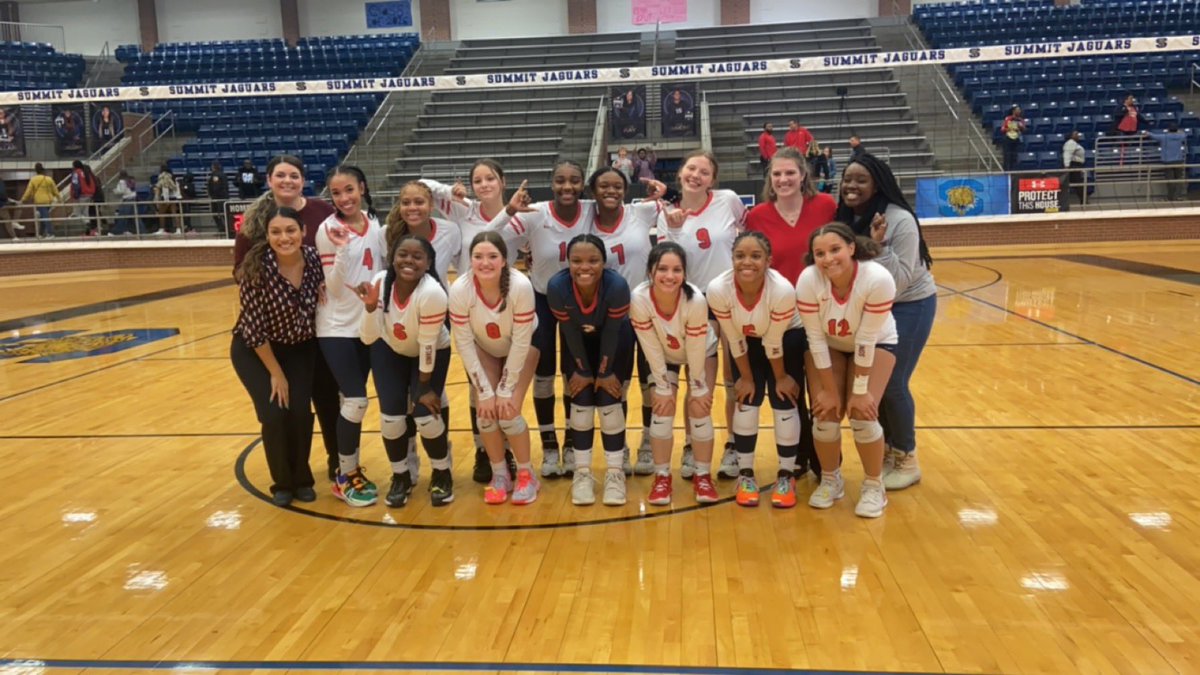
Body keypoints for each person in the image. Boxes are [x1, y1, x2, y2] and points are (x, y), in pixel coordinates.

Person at [233, 155, 340, 481]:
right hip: (268, 335)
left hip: (313, 331)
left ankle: (337, 461)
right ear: (269, 180)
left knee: (323, 399)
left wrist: (328, 284)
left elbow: (337, 258)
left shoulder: (322, 213)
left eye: (294, 175)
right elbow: (243, 278)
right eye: (280, 175)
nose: (287, 181)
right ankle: (287, 477)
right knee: (280, 412)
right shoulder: (253, 225)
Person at [835, 153, 935, 491]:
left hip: (909, 305)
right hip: (870, 309)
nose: (852, 185)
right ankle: (890, 451)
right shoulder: (847, 217)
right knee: (872, 388)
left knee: (892, 384)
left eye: (861, 180)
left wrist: (875, 247)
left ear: (878, 183)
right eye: (848, 179)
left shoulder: (899, 219)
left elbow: (901, 280)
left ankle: (907, 457)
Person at [421, 159, 525, 483]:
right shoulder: (461, 211)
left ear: (502, 181)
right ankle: (485, 450)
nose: (483, 184)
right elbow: (421, 187)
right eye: (477, 180)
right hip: (469, 307)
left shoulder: (520, 219)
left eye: (490, 178)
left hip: (508, 307)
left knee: (507, 384)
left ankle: (507, 449)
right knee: (476, 386)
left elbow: (522, 246)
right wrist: (448, 190)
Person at [498, 160, 596, 479]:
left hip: (579, 302)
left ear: (583, 184)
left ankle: (569, 443)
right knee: (542, 376)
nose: (567, 186)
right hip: (540, 298)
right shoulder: (536, 212)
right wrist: (510, 211)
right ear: (551, 184)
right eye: (560, 181)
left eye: (574, 181)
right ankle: (549, 445)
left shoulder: (592, 210)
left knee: (573, 374)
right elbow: (493, 237)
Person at [796, 222, 898, 518]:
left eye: (835, 249)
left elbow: (866, 339)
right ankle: (831, 479)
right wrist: (828, 391)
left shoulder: (877, 278)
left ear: (852, 248)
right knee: (825, 413)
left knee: (862, 414)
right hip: (829, 344)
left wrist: (861, 390)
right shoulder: (808, 280)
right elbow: (814, 338)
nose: (828, 259)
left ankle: (873, 485)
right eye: (820, 253)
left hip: (876, 343)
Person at [658, 150, 746, 480]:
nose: (697, 175)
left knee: (735, 381)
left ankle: (735, 446)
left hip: (731, 298)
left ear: (713, 179)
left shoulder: (729, 200)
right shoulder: (666, 214)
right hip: (692, 303)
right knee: (699, 383)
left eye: (704, 171)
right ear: (681, 173)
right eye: (691, 168)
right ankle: (692, 445)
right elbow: (669, 262)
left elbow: (749, 236)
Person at [706, 231, 808, 508]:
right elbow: (733, 337)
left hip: (787, 336)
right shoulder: (718, 289)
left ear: (768, 261)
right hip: (746, 339)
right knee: (746, 399)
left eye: (755, 256)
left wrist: (782, 378)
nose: (746, 262)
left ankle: (787, 475)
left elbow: (774, 342)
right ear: (732, 259)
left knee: (783, 399)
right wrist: (746, 378)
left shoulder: (783, 290)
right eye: (740, 256)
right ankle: (745, 474)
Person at [230, 206, 323, 506]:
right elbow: (253, 329)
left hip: (299, 348)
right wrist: (276, 373)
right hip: (256, 351)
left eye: (291, 230)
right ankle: (282, 483)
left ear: (303, 233)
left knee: (299, 413)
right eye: (276, 232)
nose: (284, 238)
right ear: (267, 236)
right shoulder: (255, 268)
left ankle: (302, 478)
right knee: (274, 413)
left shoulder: (315, 260)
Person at [358, 235, 455, 507]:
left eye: (417, 256)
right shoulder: (379, 282)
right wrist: (368, 307)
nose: (409, 261)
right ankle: (401, 476)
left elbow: (427, 346)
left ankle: (441, 472)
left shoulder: (433, 293)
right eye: (403, 254)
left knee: (425, 415)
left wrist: (422, 388)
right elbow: (367, 338)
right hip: (389, 348)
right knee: (391, 418)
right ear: (392, 257)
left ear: (428, 263)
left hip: (431, 351)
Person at [585, 166, 667, 474]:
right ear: (592, 191)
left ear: (626, 190)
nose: (611, 191)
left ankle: (648, 440)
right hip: (606, 316)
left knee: (650, 382)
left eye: (617, 186)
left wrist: (664, 193)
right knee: (616, 383)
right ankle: (617, 446)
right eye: (603, 186)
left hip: (645, 309)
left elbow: (673, 205)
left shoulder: (641, 213)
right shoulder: (584, 218)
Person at [449, 232, 541, 505]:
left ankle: (526, 473)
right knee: (486, 414)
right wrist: (485, 391)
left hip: (521, 347)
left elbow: (522, 342)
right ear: (470, 260)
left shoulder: (520, 286)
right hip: (484, 348)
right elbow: (464, 343)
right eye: (478, 257)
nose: (485, 263)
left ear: (504, 260)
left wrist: (504, 387)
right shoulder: (460, 290)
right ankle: (500, 474)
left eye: (492, 256)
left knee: (508, 411)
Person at [315, 166, 388, 507]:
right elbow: (331, 284)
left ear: (362, 187)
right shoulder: (328, 229)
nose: (344, 198)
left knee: (351, 403)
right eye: (336, 193)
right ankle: (344, 476)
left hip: (368, 324)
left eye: (349, 190)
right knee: (357, 401)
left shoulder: (374, 221)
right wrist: (342, 249)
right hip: (336, 327)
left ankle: (351, 469)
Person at [630, 242, 720, 505]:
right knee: (662, 410)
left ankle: (702, 475)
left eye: (677, 270)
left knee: (700, 408)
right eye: (663, 269)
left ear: (685, 274)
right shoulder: (639, 299)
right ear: (650, 272)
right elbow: (648, 344)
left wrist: (698, 386)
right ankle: (662, 478)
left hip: (701, 352)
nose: (670, 276)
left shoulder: (695, 300)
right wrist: (662, 385)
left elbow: (694, 348)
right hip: (662, 353)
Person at [548, 234, 634, 506]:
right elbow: (570, 331)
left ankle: (615, 473)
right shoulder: (557, 287)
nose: (584, 267)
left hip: (615, 341)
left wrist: (605, 372)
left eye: (593, 260)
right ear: (568, 262)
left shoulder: (617, 286)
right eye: (577, 261)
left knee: (610, 403)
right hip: (577, 345)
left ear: (604, 262)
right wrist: (583, 370)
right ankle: (582, 474)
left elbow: (611, 332)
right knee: (581, 401)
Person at [746, 147, 838, 285]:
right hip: (779, 301)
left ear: (802, 175)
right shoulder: (757, 216)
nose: (783, 179)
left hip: (825, 298)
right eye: (776, 174)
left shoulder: (826, 205)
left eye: (790, 173)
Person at [1144, 123, 1188, 201]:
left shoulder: (1164, 137)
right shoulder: (1180, 136)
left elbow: (1153, 136)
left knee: (1170, 180)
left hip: (1167, 162)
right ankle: (1177, 196)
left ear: (1168, 130)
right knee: (1179, 180)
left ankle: (1170, 197)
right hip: (1178, 161)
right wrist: (1178, 131)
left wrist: (1147, 133)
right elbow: (1184, 134)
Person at [20, 163, 58, 239]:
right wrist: (59, 199)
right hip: (49, 201)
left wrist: (23, 200)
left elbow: (28, 191)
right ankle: (41, 233)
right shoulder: (48, 179)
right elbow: (55, 190)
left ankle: (50, 233)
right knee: (43, 217)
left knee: (45, 217)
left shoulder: (33, 179)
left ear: (36, 170)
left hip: (40, 201)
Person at [70, 160, 99, 235]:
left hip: (81, 195)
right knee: (86, 213)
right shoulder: (86, 172)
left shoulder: (76, 173)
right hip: (89, 194)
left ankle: (87, 223)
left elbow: (75, 184)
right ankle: (88, 229)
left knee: (77, 213)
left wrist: (75, 195)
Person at [152, 164, 181, 235]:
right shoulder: (173, 177)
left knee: (161, 213)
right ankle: (178, 230)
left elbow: (165, 188)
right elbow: (177, 187)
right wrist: (178, 196)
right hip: (174, 197)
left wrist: (166, 199)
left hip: (166, 197)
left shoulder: (163, 177)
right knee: (175, 213)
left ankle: (162, 229)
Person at [1061, 130, 1086, 208]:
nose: (1078, 135)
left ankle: (1083, 200)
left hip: (1076, 165)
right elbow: (1067, 155)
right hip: (1073, 166)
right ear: (1071, 136)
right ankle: (1083, 201)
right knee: (1078, 184)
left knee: (1077, 185)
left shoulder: (1074, 143)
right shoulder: (1070, 143)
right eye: (1076, 134)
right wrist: (1067, 167)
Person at [111, 170, 138, 235]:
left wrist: (115, 191)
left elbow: (122, 191)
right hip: (133, 198)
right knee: (135, 217)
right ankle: (141, 231)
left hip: (127, 199)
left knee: (122, 216)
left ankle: (115, 231)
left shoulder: (122, 181)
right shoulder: (130, 180)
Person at [1001, 106, 1025, 171]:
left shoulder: (1021, 120)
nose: (1019, 111)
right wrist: (1010, 128)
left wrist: (1021, 127)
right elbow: (1003, 129)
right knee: (1007, 156)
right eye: (1018, 110)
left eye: (1019, 110)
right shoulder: (1008, 119)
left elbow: (1024, 129)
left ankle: (1014, 171)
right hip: (1008, 138)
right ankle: (1006, 171)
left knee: (1014, 157)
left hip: (1016, 139)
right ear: (1013, 111)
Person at [207, 161, 229, 233]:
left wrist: (213, 195)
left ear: (213, 167)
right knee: (224, 214)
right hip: (224, 197)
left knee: (217, 213)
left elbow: (215, 187)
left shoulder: (215, 175)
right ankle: (226, 228)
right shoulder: (223, 174)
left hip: (218, 198)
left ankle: (222, 228)